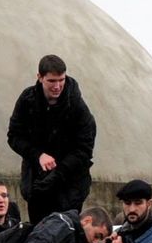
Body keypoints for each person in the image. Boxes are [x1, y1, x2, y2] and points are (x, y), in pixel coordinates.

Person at [6, 54, 97, 223]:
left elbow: (84, 149)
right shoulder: (27, 101)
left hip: (70, 186)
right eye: (52, 81)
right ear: (40, 77)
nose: (57, 86)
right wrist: (38, 155)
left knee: (64, 234)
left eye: (61, 80)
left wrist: (58, 173)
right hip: (37, 184)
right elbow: (14, 136)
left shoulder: (77, 107)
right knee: (38, 235)